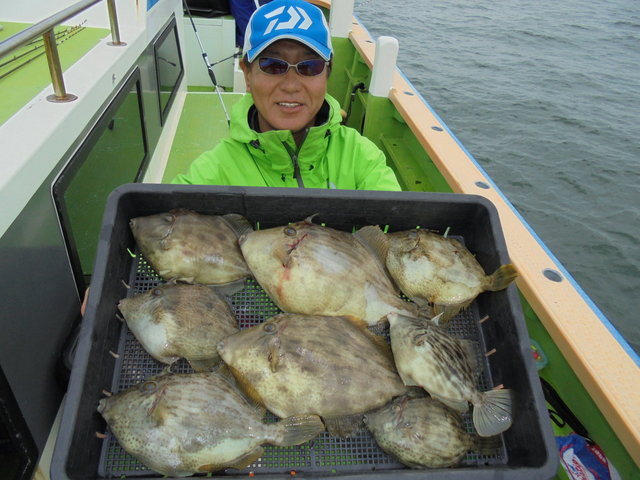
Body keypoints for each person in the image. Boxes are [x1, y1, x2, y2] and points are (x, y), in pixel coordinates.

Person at [172, 0, 401, 191]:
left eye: (310, 66)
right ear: (248, 75)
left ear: (327, 74)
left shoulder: (363, 159)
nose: (291, 86)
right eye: (273, 65)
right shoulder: (212, 173)